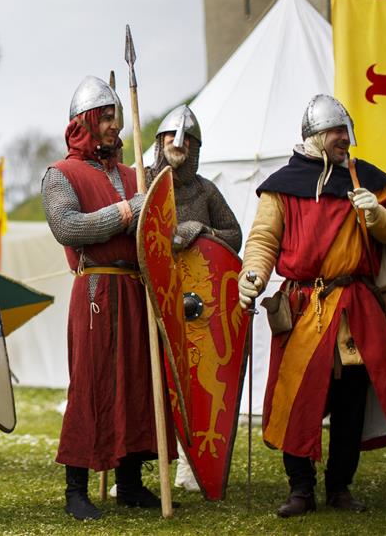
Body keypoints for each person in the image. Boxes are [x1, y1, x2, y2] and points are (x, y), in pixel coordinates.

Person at [238, 95, 386, 517]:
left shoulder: (364, 180)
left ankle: (340, 487)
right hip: (303, 307)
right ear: (316, 137)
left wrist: (377, 214)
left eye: (345, 131)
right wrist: (253, 275)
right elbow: (264, 240)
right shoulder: (283, 186)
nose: (344, 139)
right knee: (297, 396)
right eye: (336, 132)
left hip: (354, 307)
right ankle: (300, 488)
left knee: (351, 398)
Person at [41, 75, 175, 520]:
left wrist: (153, 207)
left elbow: (158, 229)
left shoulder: (134, 174)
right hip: (96, 289)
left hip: (136, 288)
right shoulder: (60, 175)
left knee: (137, 382)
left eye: (116, 117)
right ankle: (76, 488)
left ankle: (131, 481)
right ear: (85, 122)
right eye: (105, 117)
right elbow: (69, 228)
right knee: (91, 383)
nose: (113, 126)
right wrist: (126, 211)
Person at [146, 104, 242, 492]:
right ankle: (138, 474)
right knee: (147, 384)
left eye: (186, 139)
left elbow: (233, 236)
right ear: (158, 142)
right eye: (169, 136)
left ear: (197, 148)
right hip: (154, 296)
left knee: (191, 384)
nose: (177, 142)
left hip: (196, 303)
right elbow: (140, 231)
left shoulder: (205, 190)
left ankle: (190, 466)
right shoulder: (145, 182)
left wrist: (199, 229)